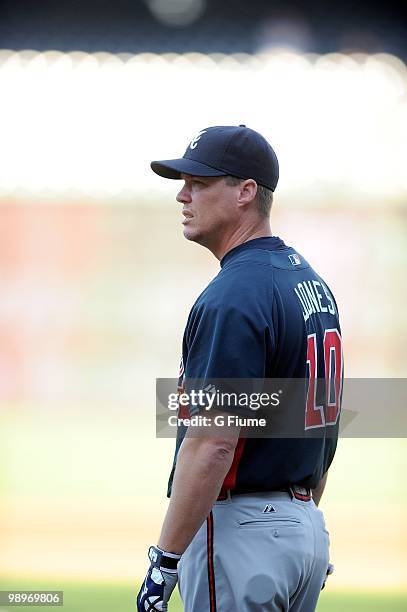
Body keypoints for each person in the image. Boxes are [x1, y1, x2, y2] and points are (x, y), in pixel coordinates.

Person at [137, 125, 343, 611]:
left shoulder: (235, 294)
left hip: (241, 535)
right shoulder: (309, 282)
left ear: (246, 192)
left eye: (200, 183)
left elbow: (212, 442)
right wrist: (299, 528)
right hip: (303, 527)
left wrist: (165, 560)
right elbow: (324, 422)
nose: (182, 196)